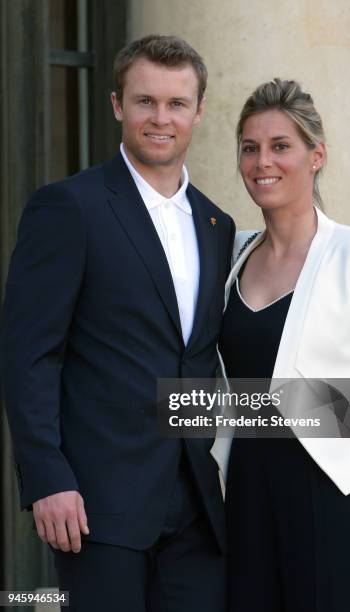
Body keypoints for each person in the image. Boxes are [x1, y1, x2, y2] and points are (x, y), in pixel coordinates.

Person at [0, 34, 235, 611]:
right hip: (97, 504)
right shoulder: (69, 207)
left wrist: (345, 414)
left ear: (199, 111)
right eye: (144, 101)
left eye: (177, 104)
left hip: (197, 507)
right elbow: (28, 353)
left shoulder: (217, 225)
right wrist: (46, 476)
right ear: (116, 105)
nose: (161, 118)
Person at [211, 78, 350, 612]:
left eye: (280, 146)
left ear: (315, 155)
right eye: (249, 148)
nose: (261, 162)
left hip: (336, 497)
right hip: (249, 497)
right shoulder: (231, 256)